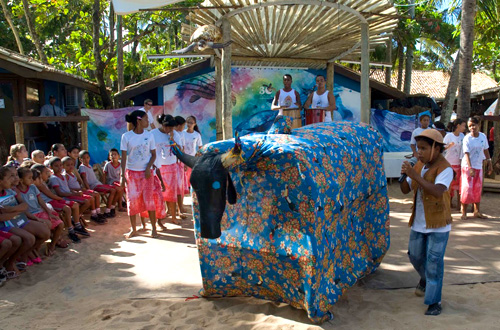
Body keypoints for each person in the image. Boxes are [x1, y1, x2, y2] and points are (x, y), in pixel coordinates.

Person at [400, 129, 453, 316]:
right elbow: (406, 189)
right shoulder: (419, 165)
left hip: (438, 224)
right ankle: (425, 280)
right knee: (414, 256)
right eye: (418, 148)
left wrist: (415, 177)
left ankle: (434, 302)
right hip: (419, 222)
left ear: (436, 148)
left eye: (423, 148)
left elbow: (438, 191)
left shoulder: (445, 168)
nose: (419, 152)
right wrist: (404, 175)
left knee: (434, 263)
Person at [120, 110, 165, 238]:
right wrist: (122, 176)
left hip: (147, 174)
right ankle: (133, 229)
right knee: (132, 201)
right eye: (146, 119)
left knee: (149, 200)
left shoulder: (149, 135)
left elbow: (154, 154)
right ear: (138, 120)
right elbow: (124, 158)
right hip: (132, 174)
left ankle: (153, 229)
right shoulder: (126, 137)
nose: (148, 122)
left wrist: (148, 168)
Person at [0, 166, 49, 270]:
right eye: (11, 176)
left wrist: (10, 210)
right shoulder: (10, 189)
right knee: (28, 238)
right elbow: (2, 217)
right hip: (7, 224)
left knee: (45, 231)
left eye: (15, 175)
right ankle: (11, 262)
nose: (14, 179)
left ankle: (23, 255)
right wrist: (17, 210)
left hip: (18, 219)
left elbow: (24, 206)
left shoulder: (11, 190)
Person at [16, 167, 64, 257]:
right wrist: (37, 218)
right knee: (46, 226)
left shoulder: (33, 187)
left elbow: (40, 201)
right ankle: (34, 250)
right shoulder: (17, 191)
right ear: (21, 180)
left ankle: (52, 245)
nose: (32, 180)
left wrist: (49, 212)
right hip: (30, 215)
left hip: (40, 211)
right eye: (29, 178)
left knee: (60, 224)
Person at [31, 164, 83, 243]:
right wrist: (61, 199)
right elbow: (51, 195)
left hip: (54, 200)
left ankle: (77, 225)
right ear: (40, 175)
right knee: (67, 208)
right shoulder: (40, 185)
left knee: (75, 204)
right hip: (50, 202)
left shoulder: (43, 183)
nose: (48, 174)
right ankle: (70, 230)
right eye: (46, 173)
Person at [152, 114, 182, 227]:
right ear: (163, 125)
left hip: (171, 166)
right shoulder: (153, 134)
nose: (170, 130)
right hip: (158, 168)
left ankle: (173, 217)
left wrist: (172, 139)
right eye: (168, 127)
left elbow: (180, 150)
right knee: (159, 194)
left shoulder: (175, 135)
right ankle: (159, 219)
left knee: (172, 193)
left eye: (172, 128)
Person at [460, 116, 493, 220]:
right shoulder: (467, 138)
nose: (472, 128)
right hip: (467, 167)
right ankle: (464, 212)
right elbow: (466, 153)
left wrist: (489, 162)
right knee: (467, 188)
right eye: (470, 126)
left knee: (477, 189)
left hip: (479, 166)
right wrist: (470, 168)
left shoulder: (483, 136)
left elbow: (486, 150)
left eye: (474, 125)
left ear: (478, 125)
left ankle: (477, 211)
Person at [79, 150, 123, 218]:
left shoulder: (89, 166)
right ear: (80, 159)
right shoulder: (82, 167)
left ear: (89, 158)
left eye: (87, 158)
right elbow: (84, 179)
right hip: (94, 186)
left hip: (98, 184)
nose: (86, 160)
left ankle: (112, 208)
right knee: (113, 190)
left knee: (117, 189)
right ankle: (108, 210)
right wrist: (88, 189)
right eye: (84, 158)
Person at [443, 119, 466, 209]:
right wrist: (449, 146)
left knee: (459, 184)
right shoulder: (449, 136)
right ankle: (449, 202)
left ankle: (459, 204)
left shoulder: (462, 136)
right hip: (449, 163)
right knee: (450, 184)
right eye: (463, 125)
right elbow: (442, 148)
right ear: (458, 126)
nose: (464, 128)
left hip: (459, 163)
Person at [182, 116, 203, 194]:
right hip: (183, 159)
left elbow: (200, 147)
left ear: (195, 124)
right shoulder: (182, 133)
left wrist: (198, 157)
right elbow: (182, 147)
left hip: (193, 159)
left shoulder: (197, 135)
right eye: (188, 122)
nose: (189, 124)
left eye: (191, 122)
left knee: (191, 177)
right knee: (184, 177)